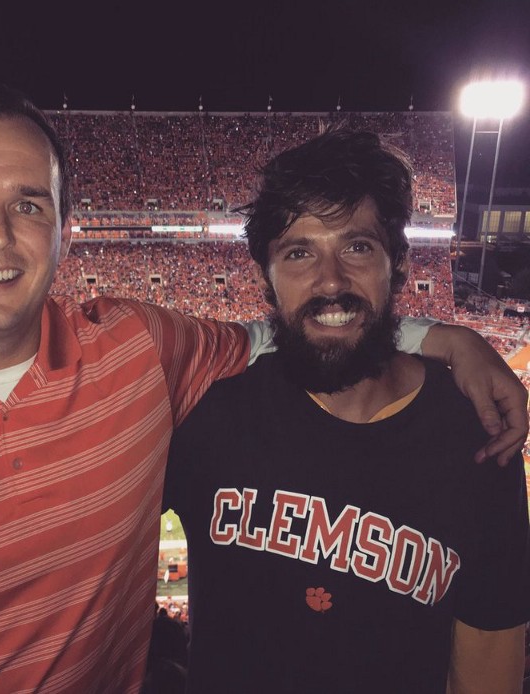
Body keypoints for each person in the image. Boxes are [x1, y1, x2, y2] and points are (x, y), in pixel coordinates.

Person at [0, 88, 525, 693]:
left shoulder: (141, 354)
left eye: (29, 204)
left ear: (65, 231)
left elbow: (304, 327)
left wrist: (452, 336)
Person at [163, 129, 530, 693]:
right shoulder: (206, 410)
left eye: (357, 247)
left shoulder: (476, 430)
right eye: (299, 252)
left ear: (398, 263)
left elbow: (488, 652)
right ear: (267, 278)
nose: (330, 281)